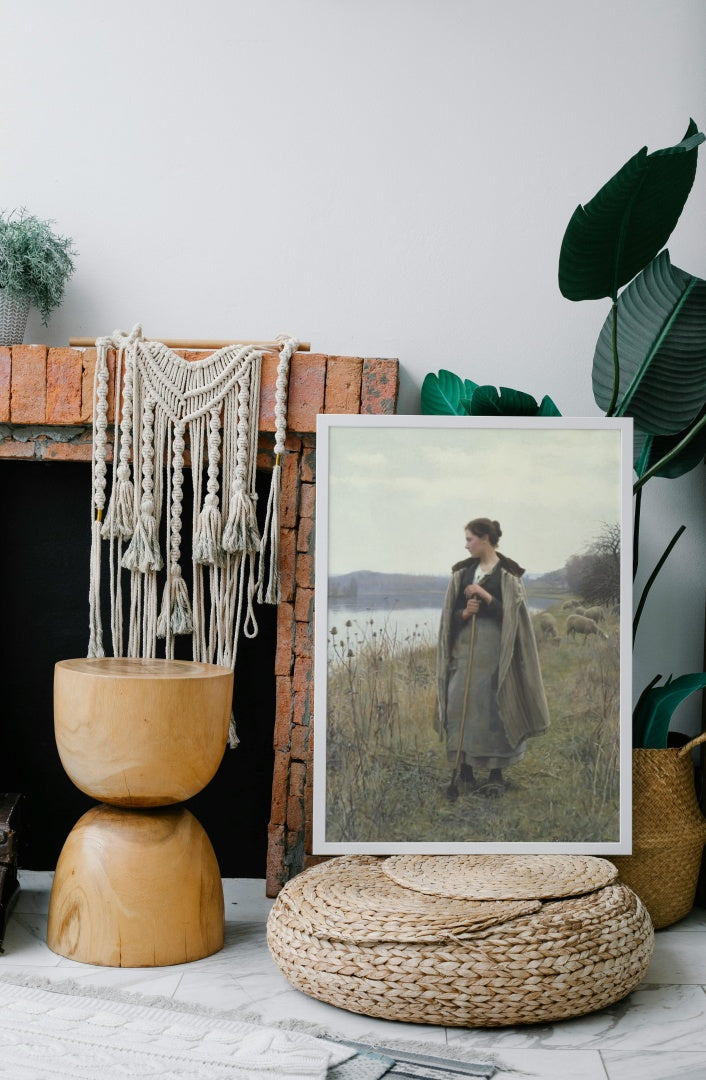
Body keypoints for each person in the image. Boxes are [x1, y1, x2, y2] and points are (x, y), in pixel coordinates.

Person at [436, 517, 549, 798]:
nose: (466, 545)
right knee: (460, 705)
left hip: (497, 654)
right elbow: (450, 616)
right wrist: (464, 613)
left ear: (485, 538)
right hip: (464, 654)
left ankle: (496, 775)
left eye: (470, 539)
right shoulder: (462, 573)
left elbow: (514, 616)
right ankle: (465, 769)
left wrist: (486, 596)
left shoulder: (509, 574)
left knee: (492, 708)